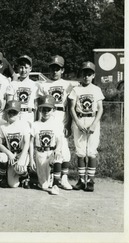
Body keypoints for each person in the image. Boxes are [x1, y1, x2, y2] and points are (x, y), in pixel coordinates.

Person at [37, 55, 75, 190]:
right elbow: (39, 106)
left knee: (64, 151)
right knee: (48, 149)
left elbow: (70, 106)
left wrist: (69, 125)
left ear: (62, 70)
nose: (55, 71)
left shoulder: (67, 84)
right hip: (48, 118)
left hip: (61, 118)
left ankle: (64, 178)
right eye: (52, 68)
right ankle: (51, 176)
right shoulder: (43, 85)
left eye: (57, 69)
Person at [69, 61, 104, 192]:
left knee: (91, 152)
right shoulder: (76, 89)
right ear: (81, 74)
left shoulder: (96, 89)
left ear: (93, 75)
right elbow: (71, 108)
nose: (86, 77)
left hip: (92, 119)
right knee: (80, 151)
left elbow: (100, 109)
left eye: (89, 74)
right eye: (84, 73)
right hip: (79, 119)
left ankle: (90, 180)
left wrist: (94, 124)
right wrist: (77, 122)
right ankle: (81, 180)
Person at [29, 95, 63, 195]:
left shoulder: (56, 123)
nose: (46, 112)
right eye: (43, 109)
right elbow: (31, 143)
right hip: (40, 153)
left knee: (58, 157)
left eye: (48, 109)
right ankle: (47, 178)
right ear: (39, 110)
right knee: (43, 185)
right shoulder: (35, 124)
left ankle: (56, 184)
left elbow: (60, 140)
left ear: (53, 110)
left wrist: (57, 150)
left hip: (51, 151)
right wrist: (31, 159)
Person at [0, 100, 31, 188]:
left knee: (19, 168)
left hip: (21, 153)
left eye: (14, 112)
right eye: (9, 112)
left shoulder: (24, 124)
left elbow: (27, 143)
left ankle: (25, 176)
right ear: (6, 113)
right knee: (13, 184)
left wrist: (21, 159)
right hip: (11, 154)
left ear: (19, 113)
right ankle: (3, 177)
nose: (11, 114)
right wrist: (9, 154)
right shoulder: (3, 127)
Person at [6, 55, 38, 125]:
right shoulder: (13, 84)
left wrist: (35, 120)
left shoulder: (34, 85)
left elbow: (36, 105)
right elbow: (9, 103)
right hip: (15, 115)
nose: (23, 70)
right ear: (18, 68)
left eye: (26, 67)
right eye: (21, 67)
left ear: (30, 68)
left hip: (29, 115)